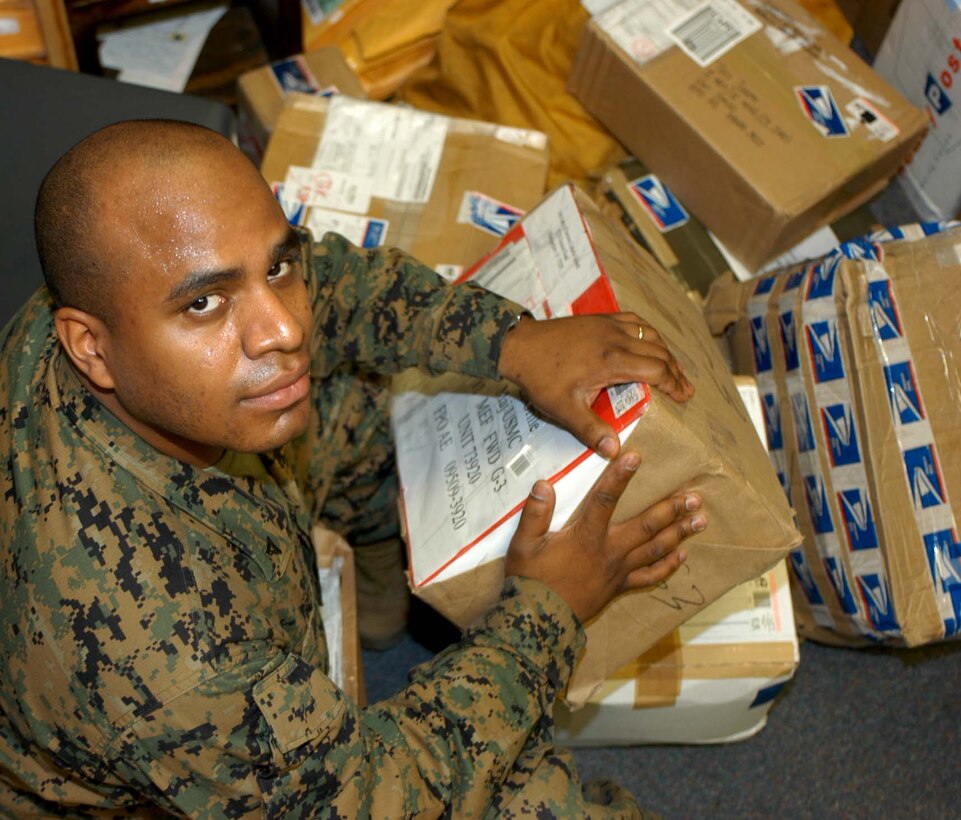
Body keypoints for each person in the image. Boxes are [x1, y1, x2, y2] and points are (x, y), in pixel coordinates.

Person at [0, 120, 704, 816]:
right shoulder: (156, 648)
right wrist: (545, 612)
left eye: (275, 267)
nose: (284, 329)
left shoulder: (102, 301)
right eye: (205, 304)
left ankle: (374, 615)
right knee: (536, 802)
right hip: (178, 772)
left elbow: (333, 283)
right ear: (89, 346)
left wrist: (512, 343)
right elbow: (368, 798)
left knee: (372, 404)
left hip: (220, 560)